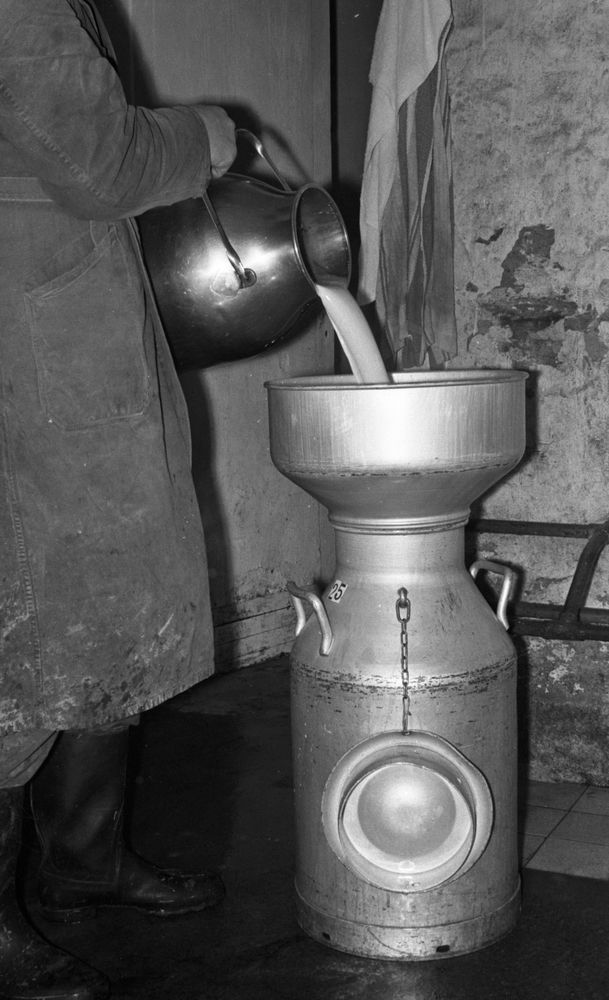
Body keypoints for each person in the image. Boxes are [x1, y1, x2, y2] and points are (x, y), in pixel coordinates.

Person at [0, 2, 237, 997]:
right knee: (30, 626)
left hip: (57, 319)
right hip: (31, 344)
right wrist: (209, 135)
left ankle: (83, 859)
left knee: (101, 602)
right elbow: (101, 161)